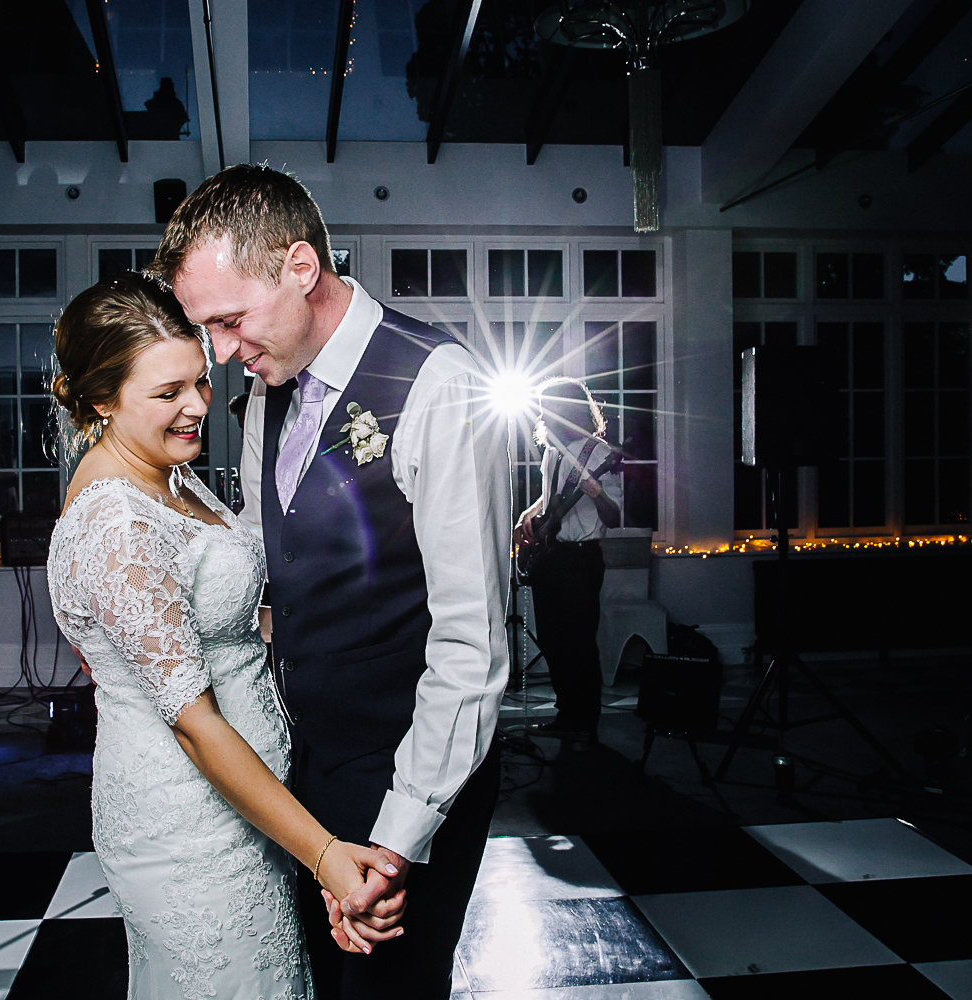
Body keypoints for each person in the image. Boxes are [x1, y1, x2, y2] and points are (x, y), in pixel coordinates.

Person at [151, 164, 511, 998]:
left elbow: (472, 648)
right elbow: (268, 561)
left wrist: (396, 841)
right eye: (210, 332)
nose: (226, 355)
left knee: (391, 991)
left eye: (232, 322)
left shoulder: (438, 383)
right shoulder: (264, 397)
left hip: (413, 771)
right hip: (307, 769)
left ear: (302, 268)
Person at [46, 272, 401, 1000]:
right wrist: (326, 855)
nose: (197, 407)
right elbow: (194, 726)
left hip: (249, 812)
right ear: (99, 401)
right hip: (190, 830)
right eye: (167, 393)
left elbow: (206, 626)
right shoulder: (116, 522)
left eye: (200, 382)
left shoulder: (168, 478)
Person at [516, 377, 621, 752]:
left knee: (579, 642)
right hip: (551, 557)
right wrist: (528, 516)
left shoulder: (601, 453)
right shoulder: (552, 451)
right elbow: (550, 499)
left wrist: (597, 492)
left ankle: (586, 721)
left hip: (581, 560)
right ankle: (565, 715)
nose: (543, 414)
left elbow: (614, 516)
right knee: (552, 640)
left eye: (549, 406)